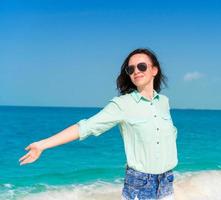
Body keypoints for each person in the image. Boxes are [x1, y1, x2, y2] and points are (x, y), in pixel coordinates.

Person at [19, 48, 178, 200]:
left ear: (154, 70)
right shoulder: (122, 104)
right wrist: (43, 145)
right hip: (140, 184)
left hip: (167, 180)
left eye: (142, 66)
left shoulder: (164, 102)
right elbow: (86, 127)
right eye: (131, 69)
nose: (136, 71)